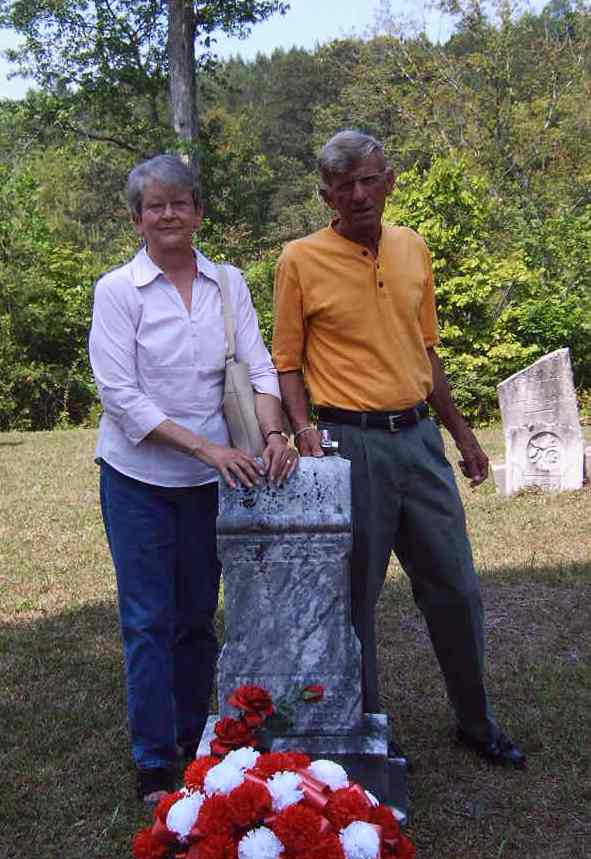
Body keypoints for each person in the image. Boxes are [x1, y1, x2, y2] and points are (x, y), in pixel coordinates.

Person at [272, 129, 525, 768]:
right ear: (327, 192)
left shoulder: (413, 247)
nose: (360, 194)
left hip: (418, 439)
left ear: (388, 181)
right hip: (347, 445)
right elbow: (287, 362)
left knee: (456, 586)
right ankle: (367, 729)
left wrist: (462, 433)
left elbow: (425, 350)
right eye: (345, 184)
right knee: (357, 598)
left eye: (370, 180)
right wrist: (304, 434)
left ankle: (474, 720)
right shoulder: (298, 260)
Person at [90, 154, 297, 804]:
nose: (170, 214)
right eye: (156, 205)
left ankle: (191, 740)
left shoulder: (226, 283)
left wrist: (271, 435)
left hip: (211, 486)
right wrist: (209, 450)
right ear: (136, 218)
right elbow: (121, 397)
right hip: (139, 481)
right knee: (149, 620)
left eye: (181, 202)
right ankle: (154, 763)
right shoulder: (118, 291)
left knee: (196, 618)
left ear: (199, 212)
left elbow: (259, 370)